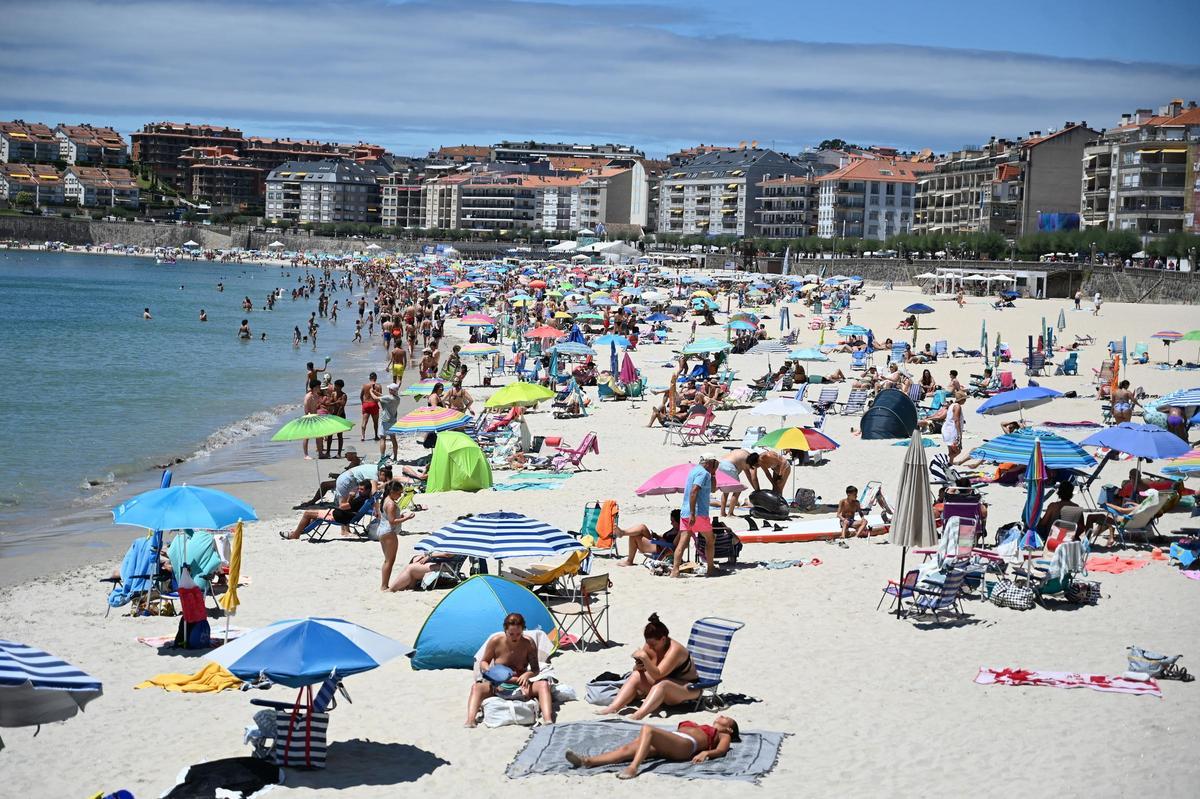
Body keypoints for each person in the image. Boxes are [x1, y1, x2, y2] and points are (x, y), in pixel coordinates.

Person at [565, 714, 740, 780]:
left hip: (686, 746)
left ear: (729, 728)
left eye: (726, 718)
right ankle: (587, 761)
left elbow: (722, 750)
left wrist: (706, 753)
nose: (722, 716)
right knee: (627, 749)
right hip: (674, 741)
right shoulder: (701, 725)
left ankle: (633, 768)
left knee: (648, 729)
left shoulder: (723, 734)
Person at [595, 614, 701, 720]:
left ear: (663, 639)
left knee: (662, 684)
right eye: (648, 643)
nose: (650, 647)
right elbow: (640, 670)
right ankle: (613, 707)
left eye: (653, 644)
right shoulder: (650, 645)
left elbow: (658, 675)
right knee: (636, 675)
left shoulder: (675, 650)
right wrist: (638, 666)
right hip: (666, 686)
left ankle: (638, 715)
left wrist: (644, 657)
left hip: (690, 689)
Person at [465, 612, 554, 728]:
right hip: (499, 685)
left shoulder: (529, 643)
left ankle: (548, 720)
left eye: (518, 634)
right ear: (505, 630)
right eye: (511, 634)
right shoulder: (496, 641)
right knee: (476, 687)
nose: (515, 638)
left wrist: (527, 675)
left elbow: (535, 669)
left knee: (543, 685)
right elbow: (483, 662)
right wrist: (491, 673)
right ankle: (470, 720)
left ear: (523, 630)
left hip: (521, 686)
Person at [282, 479, 372, 539]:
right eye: (359, 489)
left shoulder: (360, 500)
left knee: (307, 513)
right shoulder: (367, 498)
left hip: (338, 517)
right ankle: (299, 531)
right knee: (313, 515)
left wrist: (349, 496)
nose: (359, 491)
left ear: (368, 490)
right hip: (343, 515)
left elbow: (342, 506)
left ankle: (295, 535)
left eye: (362, 489)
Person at [675, 454, 717, 578]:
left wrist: (713, 473)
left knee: (682, 543)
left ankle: (675, 571)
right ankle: (710, 569)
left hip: (685, 512)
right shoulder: (704, 473)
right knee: (711, 539)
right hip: (698, 513)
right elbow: (694, 491)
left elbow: (713, 489)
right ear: (710, 463)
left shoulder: (694, 471)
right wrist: (693, 513)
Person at [377, 480, 416, 591]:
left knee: (387, 560)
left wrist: (400, 515)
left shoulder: (386, 499)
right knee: (390, 560)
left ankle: (384, 585)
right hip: (389, 532)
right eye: (399, 493)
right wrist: (407, 518)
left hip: (383, 531)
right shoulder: (391, 504)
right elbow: (393, 521)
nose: (400, 496)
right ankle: (384, 586)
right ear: (392, 491)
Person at [614, 509, 681, 567]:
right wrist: (657, 535)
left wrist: (661, 540)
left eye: (673, 521)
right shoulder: (673, 529)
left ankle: (629, 561)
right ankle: (622, 532)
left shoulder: (680, 533)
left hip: (662, 548)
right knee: (642, 528)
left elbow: (674, 545)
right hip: (658, 543)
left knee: (634, 536)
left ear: (679, 522)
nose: (671, 523)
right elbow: (664, 536)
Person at [717, 450, 760, 516]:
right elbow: (753, 478)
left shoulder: (745, 454)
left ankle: (722, 513)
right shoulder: (749, 462)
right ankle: (730, 513)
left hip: (720, 465)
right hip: (729, 466)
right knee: (737, 491)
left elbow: (749, 476)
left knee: (725, 492)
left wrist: (756, 489)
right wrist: (757, 490)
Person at [378, 382, 401, 460]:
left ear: (392, 390)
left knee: (382, 438)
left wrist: (371, 392)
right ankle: (395, 457)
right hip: (393, 420)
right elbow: (383, 396)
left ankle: (382, 456)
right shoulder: (397, 398)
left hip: (385, 420)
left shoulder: (389, 398)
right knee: (393, 438)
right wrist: (376, 392)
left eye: (389, 389)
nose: (388, 390)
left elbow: (376, 398)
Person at [360, 372, 382, 441]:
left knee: (364, 422)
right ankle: (376, 435)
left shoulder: (365, 385)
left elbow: (361, 396)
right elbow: (380, 396)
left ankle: (363, 436)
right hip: (374, 404)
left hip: (366, 404)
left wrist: (363, 403)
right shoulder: (378, 386)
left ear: (369, 378)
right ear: (376, 378)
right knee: (375, 422)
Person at [945, 391, 966, 463]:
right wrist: (959, 433)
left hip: (947, 429)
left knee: (951, 450)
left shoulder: (952, 405)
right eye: (964, 399)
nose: (965, 401)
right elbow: (956, 420)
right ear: (962, 399)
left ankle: (950, 463)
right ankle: (947, 462)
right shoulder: (957, 406)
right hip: (952, 431)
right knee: (958, 451)